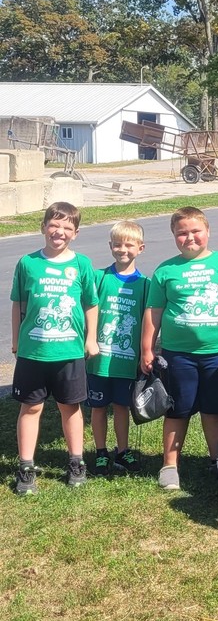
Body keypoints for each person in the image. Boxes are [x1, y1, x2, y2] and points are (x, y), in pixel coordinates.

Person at [140, 206, 218, 491]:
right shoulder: (166, 270)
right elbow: (154, 311)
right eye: (181, 233)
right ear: (173, 236)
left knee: (214, 410)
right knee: (177, 410)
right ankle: (169, 464)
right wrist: (147, 349)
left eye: (195, 231)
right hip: (178, 354)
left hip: (217, 353)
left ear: (208, 231)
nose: (189, 237)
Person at [10, 202, 99, 494]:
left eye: (67, 228)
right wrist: (15, 340)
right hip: (33, 352)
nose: (59, 232)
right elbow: (18, 305)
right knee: (31, 406)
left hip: (69, 352)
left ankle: (76, 462)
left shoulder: (81, 264)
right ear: (43, 226)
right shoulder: (27, 263)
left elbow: (91, 304)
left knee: (70, 407)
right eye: (54, 225)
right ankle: (25, 466)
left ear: (75, 233)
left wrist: (91, 338)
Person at [87, 220, 148, 477]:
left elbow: (149, 320)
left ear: (140, 248)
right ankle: (101, 452)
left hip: (127, 361)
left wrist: (148, 350)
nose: (123, 249)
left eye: (129, 244)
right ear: (110, 246)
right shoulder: (99, 277)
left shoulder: (146, 284)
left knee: (122, 407)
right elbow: (88, 310)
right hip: (98, 360)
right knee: (98, 408)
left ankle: (122, 451)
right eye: (117, 244)